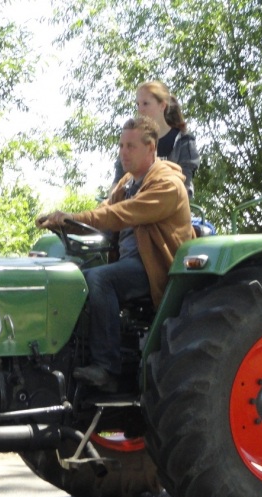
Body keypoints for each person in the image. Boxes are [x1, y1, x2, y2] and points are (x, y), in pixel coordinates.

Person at [37, 116, 193, 392]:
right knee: (74, 281)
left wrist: (72, 216)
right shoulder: (127, 184)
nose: (123, 152)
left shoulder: (167, 185)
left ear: (151, 148)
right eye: (121, 145)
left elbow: (119, 215)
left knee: (100, 280)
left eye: (131, 146)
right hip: (130, 263)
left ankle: (107, 367)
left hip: (155, 268)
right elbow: (101, 217)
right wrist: (65, 223)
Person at [111, 81, 200, 198]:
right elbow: (117, 183)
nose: (140, 109)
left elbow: (184, 186)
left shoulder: (183, 141)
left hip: (169, 207)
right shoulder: (131, 140)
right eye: (138, 104)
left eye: (145, 104)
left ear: (162, 105)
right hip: (132, 208)